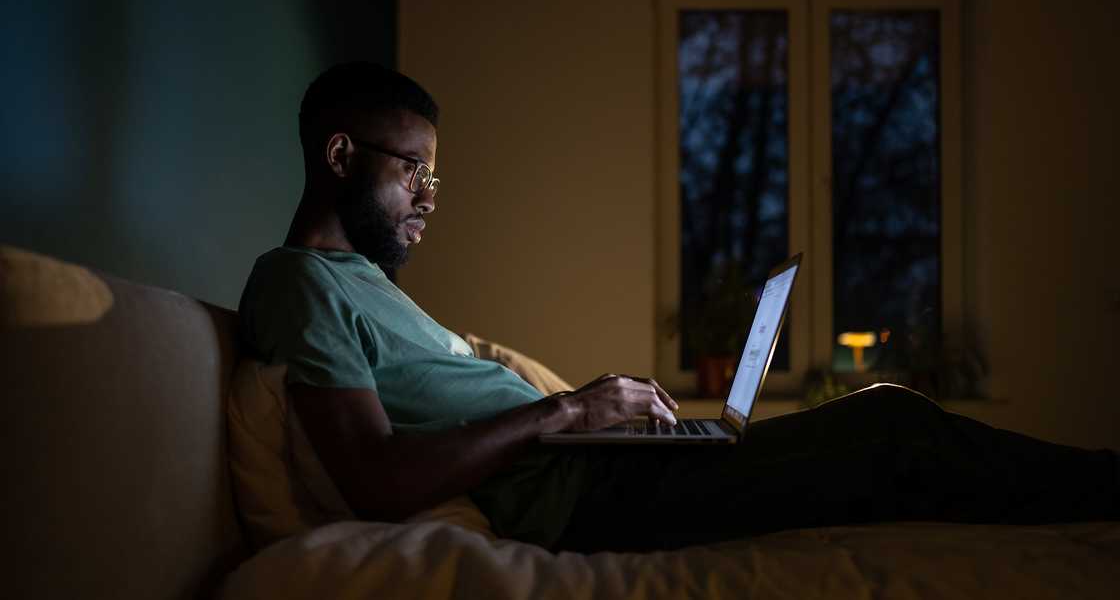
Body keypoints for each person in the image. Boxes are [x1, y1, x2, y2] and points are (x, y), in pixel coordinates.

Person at [239, 62, 1117, 552]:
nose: (431, 195)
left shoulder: (368, 289)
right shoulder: (296, 284)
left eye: (437, 174)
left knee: (878, 434)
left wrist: (585, 416)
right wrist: (572, 409)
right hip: (588, 501)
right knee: (885, 428)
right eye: (413, 171)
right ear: (343, 154)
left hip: (601, 468)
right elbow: (377, 478)